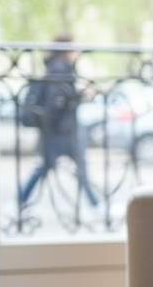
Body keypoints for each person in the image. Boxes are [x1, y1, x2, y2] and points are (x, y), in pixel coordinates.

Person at [18, 33, 99, 208]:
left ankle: (20, 200)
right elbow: (59, 101)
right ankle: (97, 206)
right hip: (63, 131)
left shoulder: (53, 67)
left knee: (48, 168)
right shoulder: (61, 68)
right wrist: (80, 95)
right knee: (78, 170)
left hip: (57, 131)